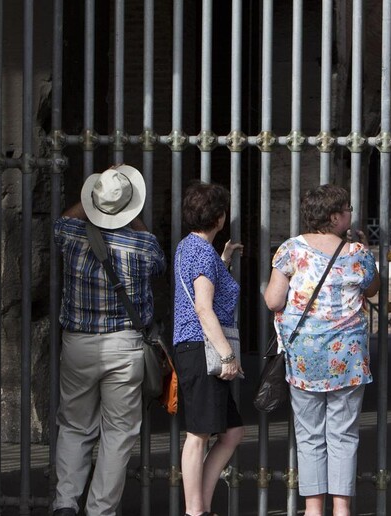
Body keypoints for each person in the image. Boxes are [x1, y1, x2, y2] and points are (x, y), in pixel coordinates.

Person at [52, 165, 166, 516]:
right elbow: (160, 264)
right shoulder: (144, 246)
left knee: (74, 425)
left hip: (78, 344)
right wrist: (130, 213)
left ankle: (65, 504)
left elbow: (62, 219)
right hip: (125, 346)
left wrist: (97, 198)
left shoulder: (70, 235)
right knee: (117, 434)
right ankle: (100, 510)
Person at [264, 184, 379, 516]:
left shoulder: (291, 250)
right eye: (348, 210)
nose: (350, 215)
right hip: (348, 359)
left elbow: (273, 299)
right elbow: (373, 289)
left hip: (305, 357)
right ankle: (341, 510)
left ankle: (313, 510)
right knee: (343, 435)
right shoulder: (356, 253)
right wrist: (365, 251)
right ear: (334, 217)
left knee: (310, 434)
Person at [173, 181, 245, 516]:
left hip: (195, 347)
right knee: (198, 435)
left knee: (231, 432)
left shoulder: (191, 248)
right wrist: (227, 355)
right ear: (218, 217)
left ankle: (200, 505)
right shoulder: (201, 252)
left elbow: (205, 287)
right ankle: (194, 511)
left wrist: (224, 259)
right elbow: (204, 307)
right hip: (201, 349)